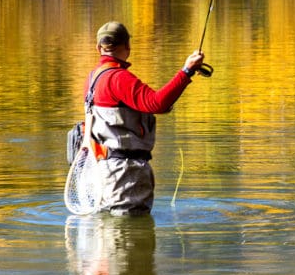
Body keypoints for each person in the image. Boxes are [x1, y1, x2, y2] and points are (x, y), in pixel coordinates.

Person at [83, 21, 204, 215]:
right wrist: (186, 71)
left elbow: (121, 112)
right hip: (124, 175)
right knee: (128, 238)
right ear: (128, 47)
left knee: (106, 237)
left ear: (98, 48)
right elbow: (156, 103)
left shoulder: (93, 78)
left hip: (100, 172)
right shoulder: (119, 78)